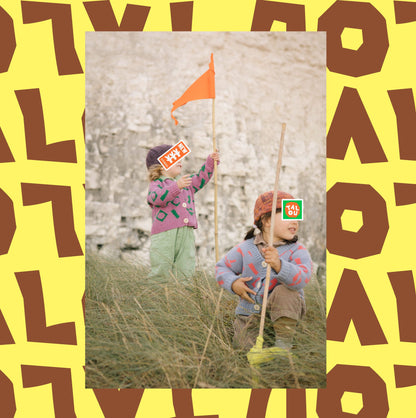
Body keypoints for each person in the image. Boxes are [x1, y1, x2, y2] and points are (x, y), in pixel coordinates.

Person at [216, 190, 312, 351]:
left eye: (297, 218)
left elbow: (302, 279)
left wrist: (279, 265)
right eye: (288, 216)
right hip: (249, 315)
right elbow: (221, 268)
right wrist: (233, 283)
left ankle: (283, 345)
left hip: (285, 312)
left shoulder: (297, 250)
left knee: (285, 291)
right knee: (243, 352)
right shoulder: (245, 248)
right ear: (266, 220)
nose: (295, 222)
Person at [146, 144, 220, 281]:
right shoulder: (157, 184)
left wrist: (211, 162)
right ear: (161, 166)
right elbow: (156, 198)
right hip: (164, 234)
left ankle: (182, 295)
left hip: (186, 233)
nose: (180, 161)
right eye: (175, 158)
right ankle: (156, 296)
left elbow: (201, 177)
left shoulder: (186, 183)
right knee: (161, 269)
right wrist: (176, 186)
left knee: (185, 269)